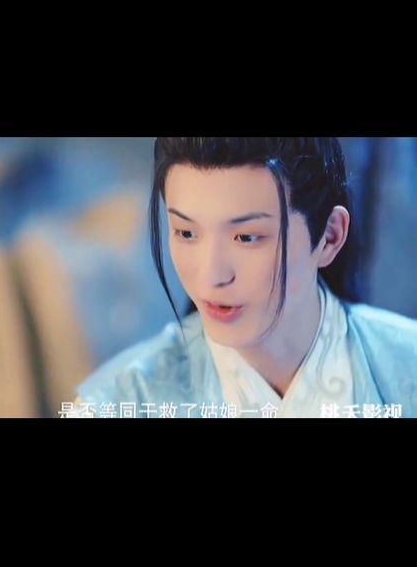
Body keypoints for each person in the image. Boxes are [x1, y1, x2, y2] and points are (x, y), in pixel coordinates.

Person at [73, 137, 417, 419]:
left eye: (247, 237)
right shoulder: (117, 402)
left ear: (329, 235)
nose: (212, 275)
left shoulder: (407, 366)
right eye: (186, 233)